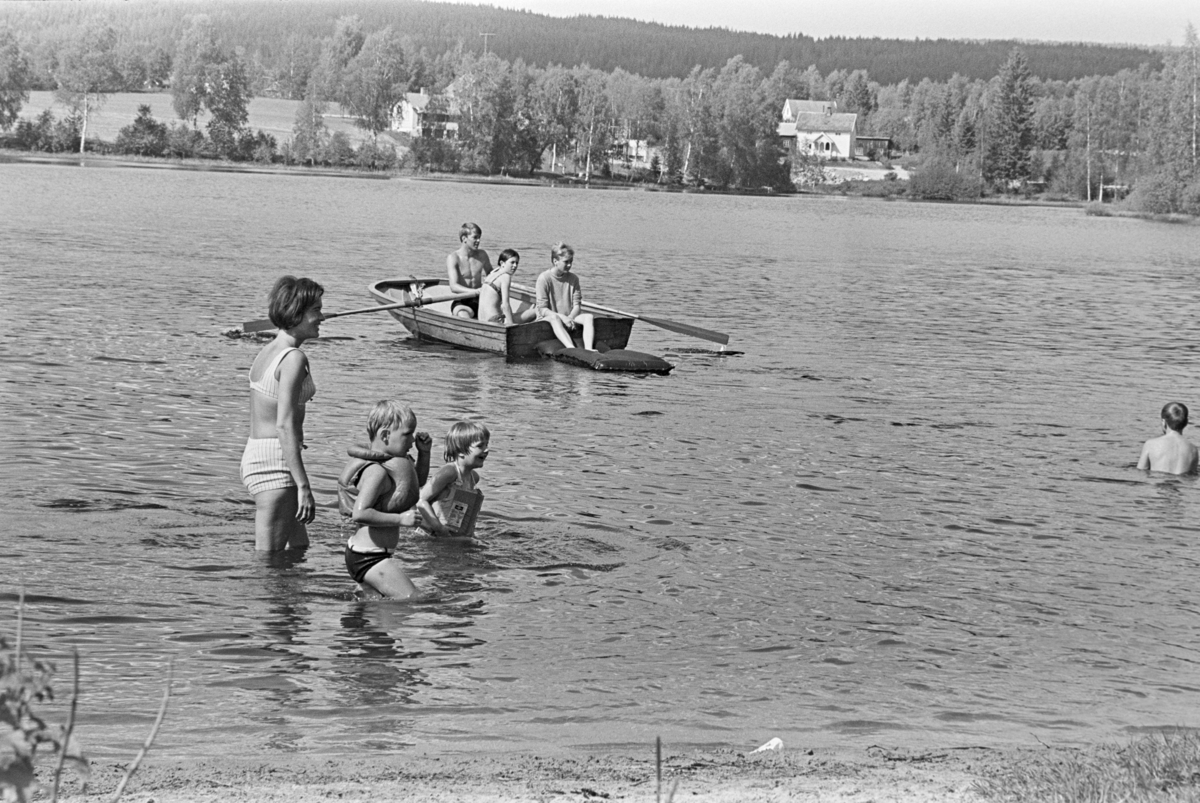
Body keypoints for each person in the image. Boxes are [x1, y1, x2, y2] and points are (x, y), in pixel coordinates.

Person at [241, 276, 323, 552]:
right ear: (297, 314)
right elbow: (284, 425)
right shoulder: (293, 358)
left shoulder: (266, 351)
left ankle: (293, 596)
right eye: (316, 311)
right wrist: (304, 486)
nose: (322, 317)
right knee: (268, 561)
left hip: (258, 454)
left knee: (298, 549)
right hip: (275, 463)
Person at [342, 401, 434, 598]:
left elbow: (414, 484)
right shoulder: (377, 472)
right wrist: (400, 520)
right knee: (415, 599)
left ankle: (361, 622)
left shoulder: (395, 465)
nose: (412, 440)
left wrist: (424, 454)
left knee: (376, 615)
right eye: (407, 434)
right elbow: (360, 513)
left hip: (372, 554)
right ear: (385, 435)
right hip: (369, 557)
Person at [417, 421, 489, 538]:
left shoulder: (473, 477)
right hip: (430, 536)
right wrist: (439, 528)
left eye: (487, 444)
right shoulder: (449, 472)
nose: (486, 450)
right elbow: (420, 500)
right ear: (461, 451)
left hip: (450, 537)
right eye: (480, 446)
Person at [535, 241, 596, 350]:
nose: (569, 265)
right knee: (554, 317)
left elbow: (577, 305)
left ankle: (588, 350)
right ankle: (571, 348)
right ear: (555, 261)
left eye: (571, 262)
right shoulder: (544, 278)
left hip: (569, 317)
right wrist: (562, 318)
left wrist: (570, 318)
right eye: (566, 262)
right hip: (549, 318)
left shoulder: (574, 279)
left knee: (589, 317)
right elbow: (542, 309)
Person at [445, 222, 493, 319]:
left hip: (480, 300)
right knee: (463, 315)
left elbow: (491, 275)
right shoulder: (453, 258)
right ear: (464, 239)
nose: (478, 241)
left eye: (479, 237)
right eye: (475, 237)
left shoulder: (482, 255)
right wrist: (475, 291)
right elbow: (454, 287)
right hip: (462, 301)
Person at [479, 248, 538, 326]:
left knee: (511, 314)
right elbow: (505, 305)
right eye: (512, 262)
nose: (515, 266)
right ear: (502, 263)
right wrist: (511, 326)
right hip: (495, 321)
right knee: (538, 310)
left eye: (517, 263)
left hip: (481, 321)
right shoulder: (505, 277)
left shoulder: (492, 273)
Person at [1137, 402, 1199, 475]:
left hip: (1158, 484)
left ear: (1164, 422)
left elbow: (1140, 473)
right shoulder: (1193, 450)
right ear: (1186, 423)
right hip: (1182, 485)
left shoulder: (1151, 444)